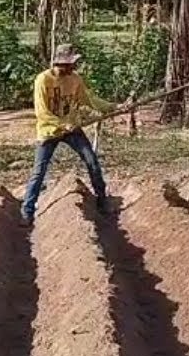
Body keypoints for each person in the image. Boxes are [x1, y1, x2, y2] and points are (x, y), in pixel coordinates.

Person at [20, 43, 123, 226]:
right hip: (49, 132)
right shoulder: (43, 80)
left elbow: (89, 100)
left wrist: (112, 107)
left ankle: (102, 200)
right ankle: (27, 211)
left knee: (92, 162)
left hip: (72, 130)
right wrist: (62, 125)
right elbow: (42, 112)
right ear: (61, 63)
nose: (74, 67)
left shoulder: (75, 79)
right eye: (71, 63)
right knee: (39, 171)